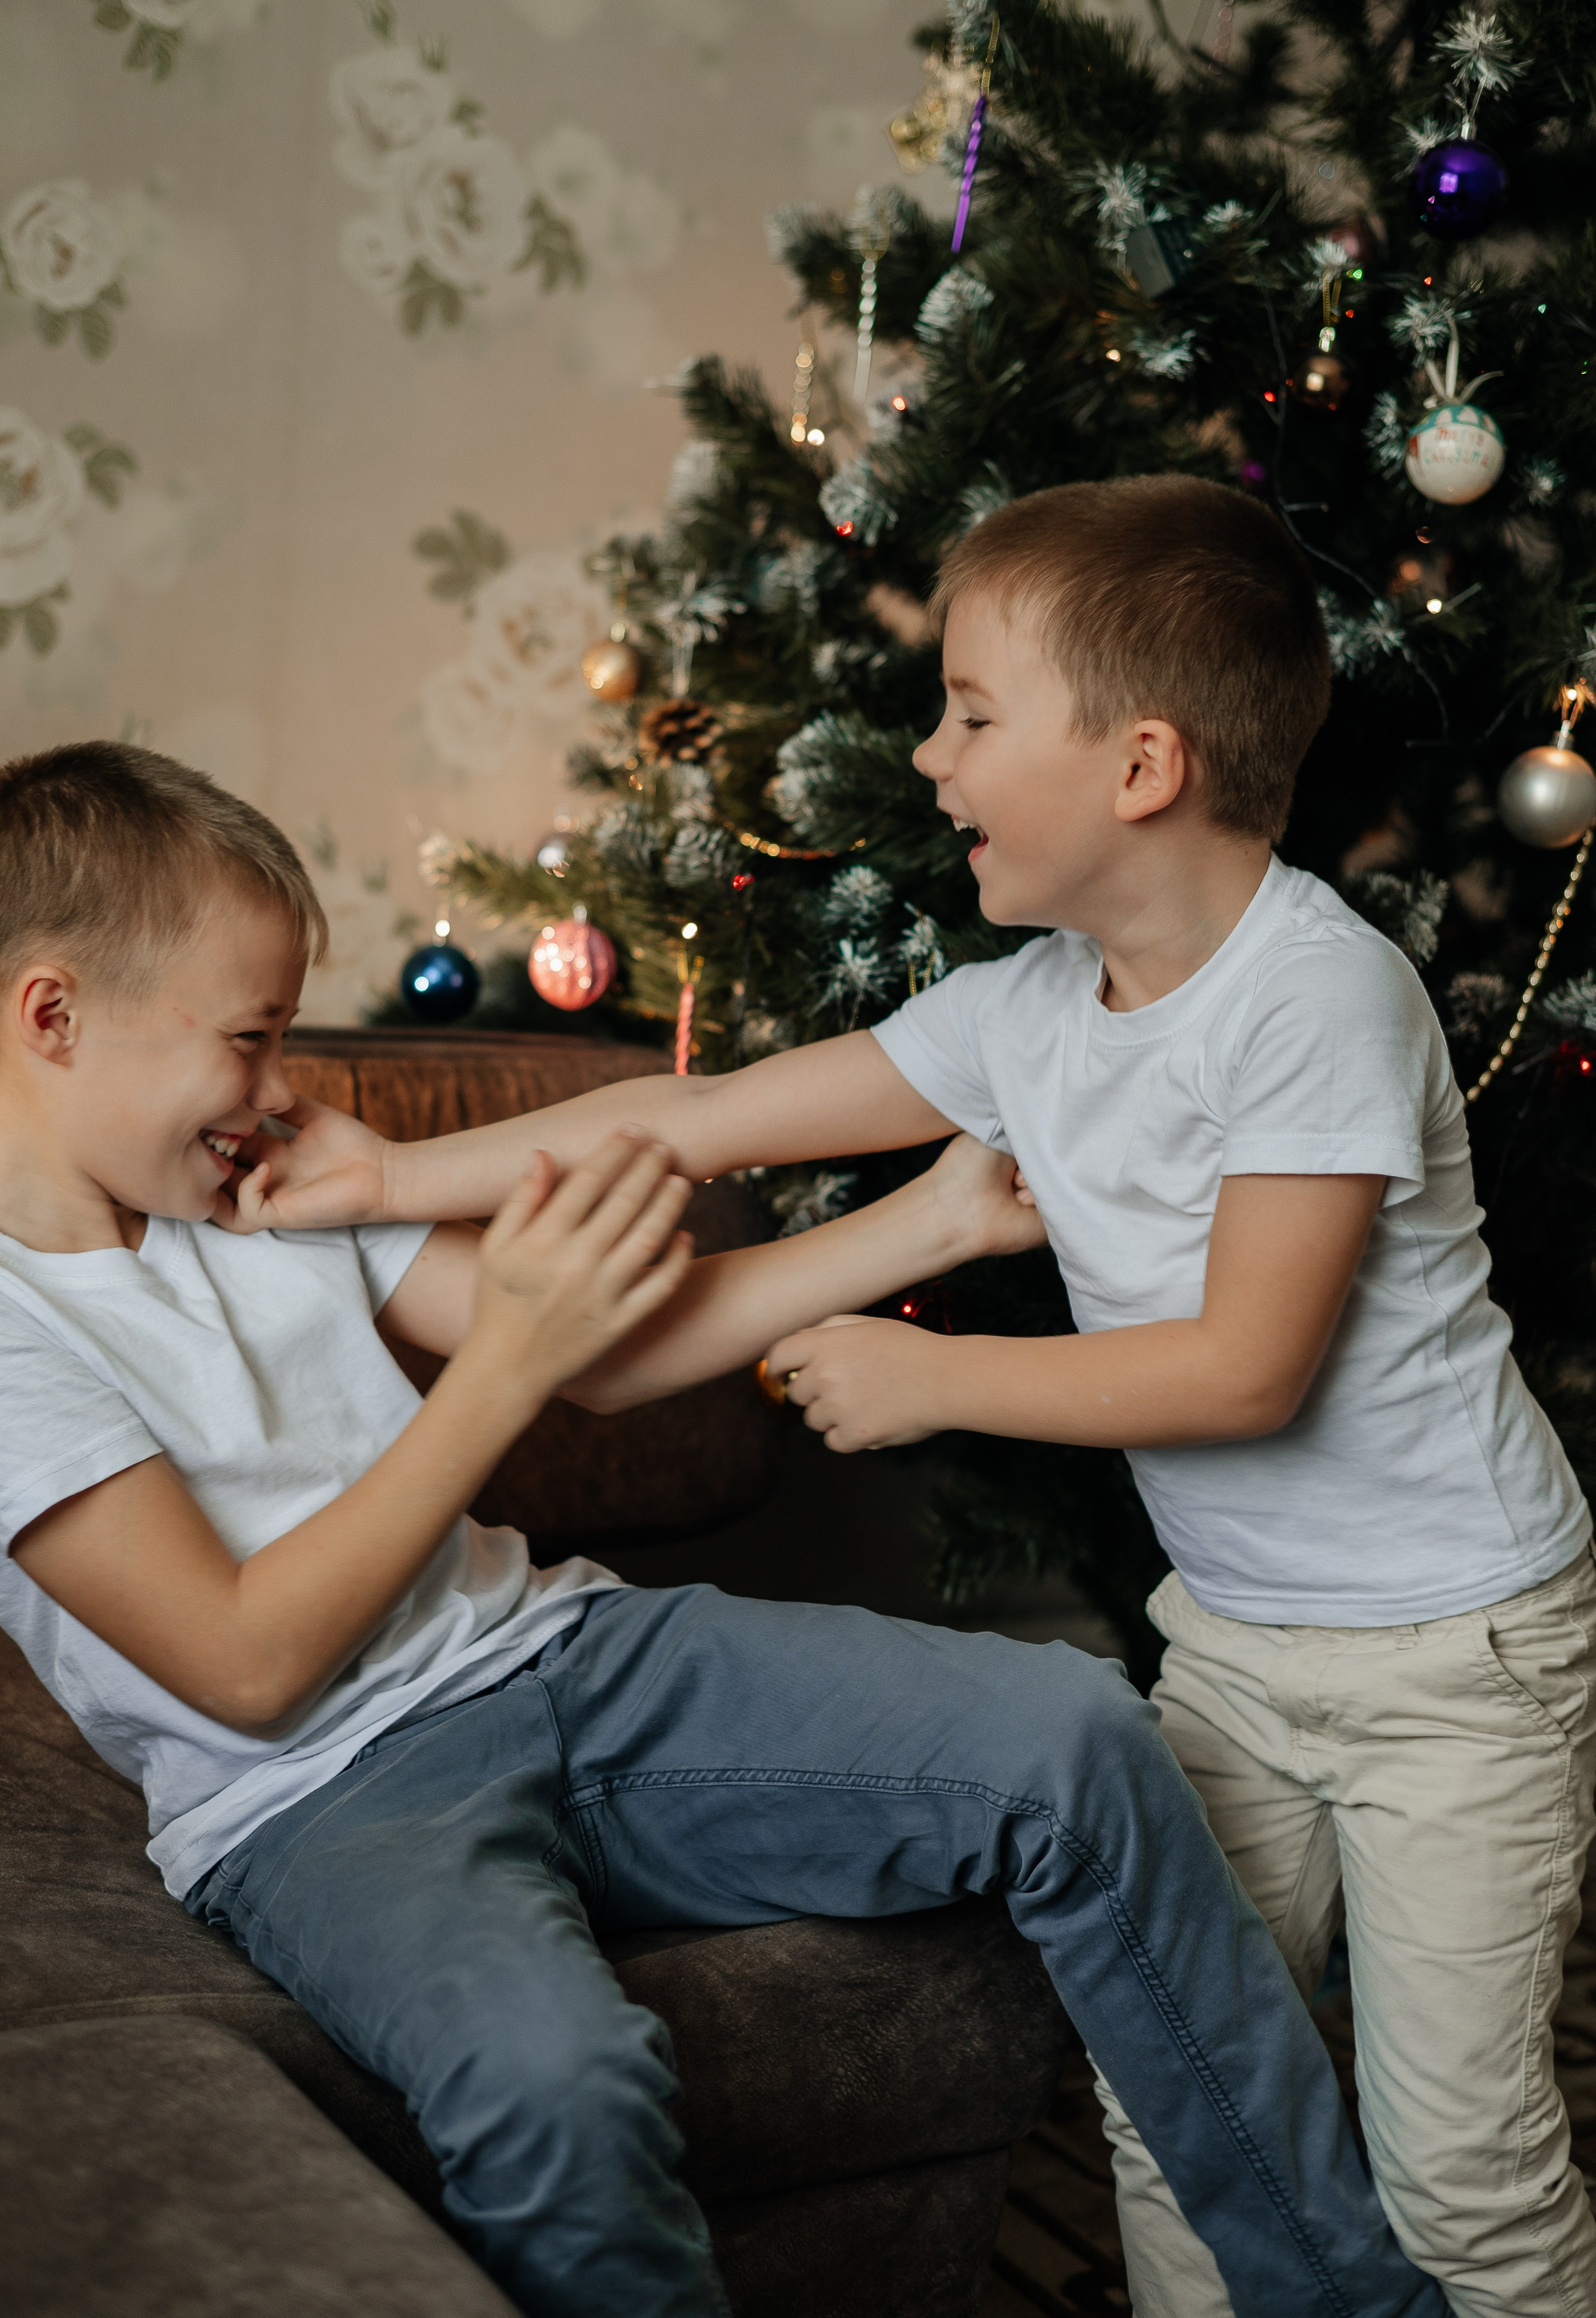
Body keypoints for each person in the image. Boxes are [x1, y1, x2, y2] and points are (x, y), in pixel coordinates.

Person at [243, 473, 1596, 2318]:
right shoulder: (1027, 1012)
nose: (929, 752)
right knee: (1184, 2092)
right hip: (1241, 1646)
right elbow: (695, 1116)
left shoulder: (1318, 1000)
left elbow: (1245, 1365)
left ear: (1139, 765)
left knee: (1461, 2164)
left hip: (1460, 1660)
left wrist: (934, 1369)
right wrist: (385, 1178)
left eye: (969, 711)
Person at [0, 738, 1441, 2318]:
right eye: (249, 1037)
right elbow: (248, 1664)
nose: (281, 1089)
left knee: (1074, 1733)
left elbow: (610, 1357)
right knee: (556, 2080)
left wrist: (921, 1223)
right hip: (313, 1801)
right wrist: (502, 1371)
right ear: (52, 1016)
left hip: (565, 1654)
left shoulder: (247, 1182)